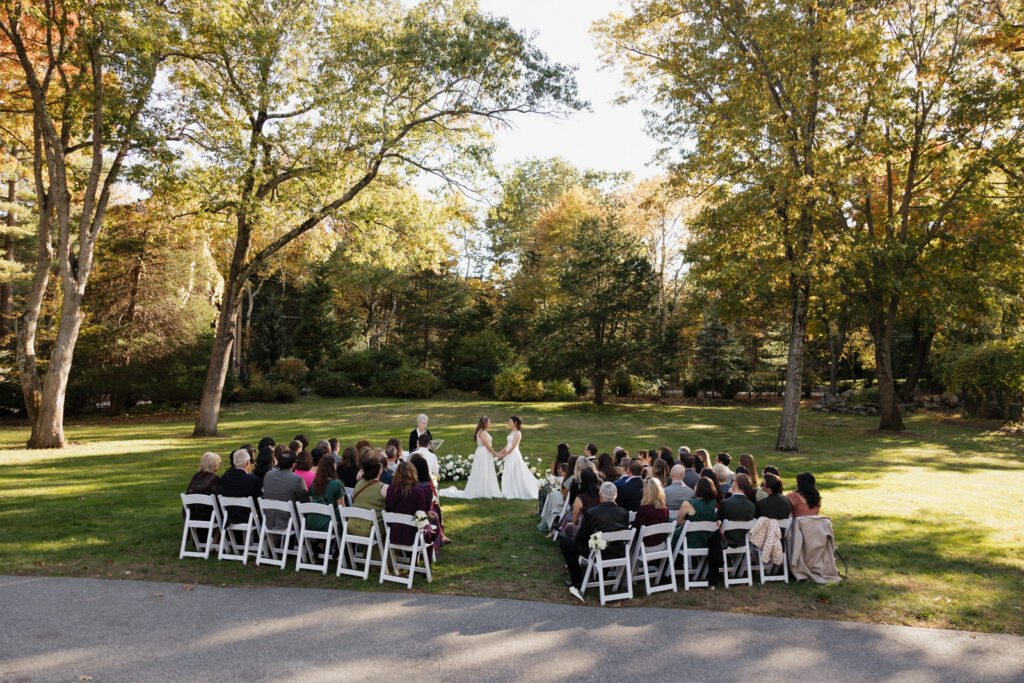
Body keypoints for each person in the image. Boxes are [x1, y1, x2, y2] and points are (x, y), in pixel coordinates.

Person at [559, 482, 630, 601]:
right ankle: (602, 576)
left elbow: (581, 538)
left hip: (598, 553)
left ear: (600, 495)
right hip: (619, 552)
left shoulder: (592, 512)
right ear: (615, 496)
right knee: (602, 544)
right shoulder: (624, 512)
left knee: (565, 542)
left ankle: (577, 581)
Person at [439, 416, 501, 499]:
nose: (490, 423)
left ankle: (486, 488)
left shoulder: (483, 431)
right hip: (483, 453)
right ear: (485, 423)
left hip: (485, 453)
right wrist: (495, 453)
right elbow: (487, 445)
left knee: (486, 470)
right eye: (489, 422)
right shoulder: (482, 432)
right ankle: (482, 490)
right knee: (482, 470)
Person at [384, 462, 437, 557]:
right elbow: (421, 516)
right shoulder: (418, 492)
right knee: (431, 533)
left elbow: (389, 510)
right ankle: (425, 566)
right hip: (411, 535)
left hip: (394, 533)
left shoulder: (390, 490)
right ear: (413, 474)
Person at [262, 451, 310, 529]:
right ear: (294, 464)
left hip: (269, 519)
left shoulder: (268, 475)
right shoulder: (298, 479)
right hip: (289, 521)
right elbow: (305, 503)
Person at [497, 416, 538, 500]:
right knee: (509, 471)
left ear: (515, 423)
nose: (509, 422)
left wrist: (504, 455)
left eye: (510, 421)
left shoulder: (518, 433)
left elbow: (512, 447)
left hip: (514, 455)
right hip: (509, 455)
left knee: (516, 472)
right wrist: (501, 452)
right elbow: (508, 444)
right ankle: (509, 489)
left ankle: (518, 489)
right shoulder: (512, 431)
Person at [673, 476, 718, 550]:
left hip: (688, 541)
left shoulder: (688, 503)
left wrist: (685, 522)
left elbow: (678, 521)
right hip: (706, 541)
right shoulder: (713, 503)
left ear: (698, 487)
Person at [348, 454, 387, 537]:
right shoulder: (383, 487)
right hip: (371, 529)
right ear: (380, 471)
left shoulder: (358, 484)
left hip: (352, 526)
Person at [220, 449, 261, 524]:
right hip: (248, 518)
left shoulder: (224, 478)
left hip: (229, 517)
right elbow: (257, 502)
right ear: (248, 463)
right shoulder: (253, 480)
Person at [306, 457, 345, 532]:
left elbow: (311, 501)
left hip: (312, 522)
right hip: (328, 523)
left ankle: (322, 543)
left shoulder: (314, 483)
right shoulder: (337, 484)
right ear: (333, 466)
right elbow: (341, 507)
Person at [718, 472, 756, 546]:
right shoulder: (751, 505)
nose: (731, 482)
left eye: (733, 480)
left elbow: (718, 523)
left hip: (725, 541)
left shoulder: (725, 503)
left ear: (736, 484)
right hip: (744, 541)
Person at [563, 469, 601, 537]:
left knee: (569, 526)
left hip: (584, 531)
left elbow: (574, 520)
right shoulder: (601, 495)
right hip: (600, 529)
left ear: (583, 481)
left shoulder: (580, 498)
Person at [184, 452, 222, 521]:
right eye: (218, 461)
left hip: (192, 514)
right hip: (209, 516)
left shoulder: (196, 477)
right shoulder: (214, 479)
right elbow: (219, 498)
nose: (220, 463)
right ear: (212, 464)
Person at [633, 477, 670, 547]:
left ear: (648, 491)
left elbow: (635, 531)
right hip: (661, 545)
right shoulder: (665, 509)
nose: (642, 489)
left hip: (646, 547)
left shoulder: (644, 509)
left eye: (644, 487)